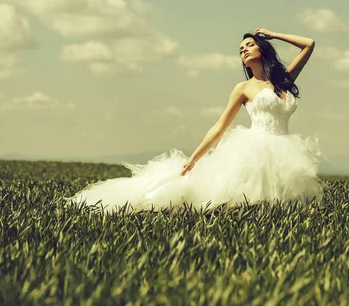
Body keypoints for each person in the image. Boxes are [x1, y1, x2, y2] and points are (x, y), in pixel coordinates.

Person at [67, 28, 325, 212]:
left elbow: (309, 44)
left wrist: (273, 34)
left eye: (249, 45)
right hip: (255, 150)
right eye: (240, 49)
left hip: (285, 151)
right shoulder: (242, 88)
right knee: (242, 204)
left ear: (262, 48)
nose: (244, 50)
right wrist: (194, 159)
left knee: (285, 207)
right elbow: (220, 126)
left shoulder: (284, 80)